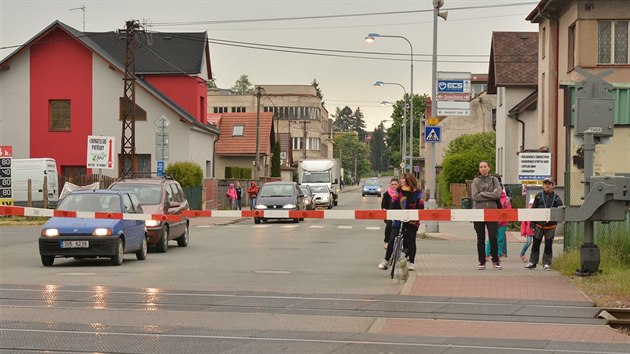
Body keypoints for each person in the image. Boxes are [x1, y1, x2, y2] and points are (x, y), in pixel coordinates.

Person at [378, 173, 424, 272]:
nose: (401, 180)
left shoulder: (418, 193)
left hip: (412, 221)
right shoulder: (398, 191)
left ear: (408, 180)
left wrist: (416, 215)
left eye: (403, 179)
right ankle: (386, 260)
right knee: (392, 238)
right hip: (398, 218)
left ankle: (411, 262)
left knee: (411, 240)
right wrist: (391, 214)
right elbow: (393, 203)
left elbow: (421, 206)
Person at [525, 177, 564, 271]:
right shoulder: (538, 196)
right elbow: (533, 211)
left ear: (552, 186)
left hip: (550, 226)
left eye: (549, 184)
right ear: (543, 185)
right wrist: (532, 225)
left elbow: (560, 209)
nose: (547, 185)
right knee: (536, 243)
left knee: (548, 244)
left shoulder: (556, 196)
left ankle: (547, 263)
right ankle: (533, 262)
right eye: (545, 183)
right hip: (539, 225)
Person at [471, 161, 502, 270]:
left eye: (485, 166)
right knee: (480, 238)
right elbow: (475, 196)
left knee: (493, 237)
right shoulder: (475, 181)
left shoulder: (494, 180)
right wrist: (490, 195)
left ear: (489, 168)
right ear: (479, 169)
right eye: (481, 167)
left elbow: (498, 194)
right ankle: (482, 261)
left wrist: (483, 193)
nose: (483, 169)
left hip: (492, 212)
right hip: (478, 212)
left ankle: (496, 260)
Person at [486, 184, 511, 258]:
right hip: (492, 222)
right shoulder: (491, 198)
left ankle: (498, 254)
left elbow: (509, 210)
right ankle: (487, 254)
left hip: (502, 222)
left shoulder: (506, 199)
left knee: (500, 239)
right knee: (491, 238)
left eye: (499, 189)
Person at [380, 178, 400, 250]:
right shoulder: (386, 194)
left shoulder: (401, 194)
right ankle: (386, 241)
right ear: (390, 185)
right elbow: (383, 206)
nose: (394, 186)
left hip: (400, 215)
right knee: (389, 223)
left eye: (395, 184)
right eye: (392, 184)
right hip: (389, 215)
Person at [520, 198, 536, 262]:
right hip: (529, 231)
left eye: (532, 205)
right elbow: (523, 224)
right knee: (528, 243)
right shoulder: (527, 213)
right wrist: (523, 232)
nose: (531, 206)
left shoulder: (536, 213)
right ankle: (522, 254)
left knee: (535, 244)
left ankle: (533, 256)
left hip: (535, 231)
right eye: (530, 205)